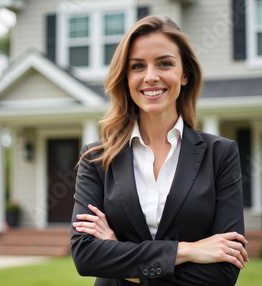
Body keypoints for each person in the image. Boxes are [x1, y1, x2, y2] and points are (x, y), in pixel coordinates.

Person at [71, 15, 248, 286]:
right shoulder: (96, 159)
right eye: (137, 66)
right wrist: (187, 250)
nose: (151, 77)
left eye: (165, 63)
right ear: (126, 77)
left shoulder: (220, 155)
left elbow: (224, 272)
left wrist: (121, 260)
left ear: (185, 74)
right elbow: (86, 256)